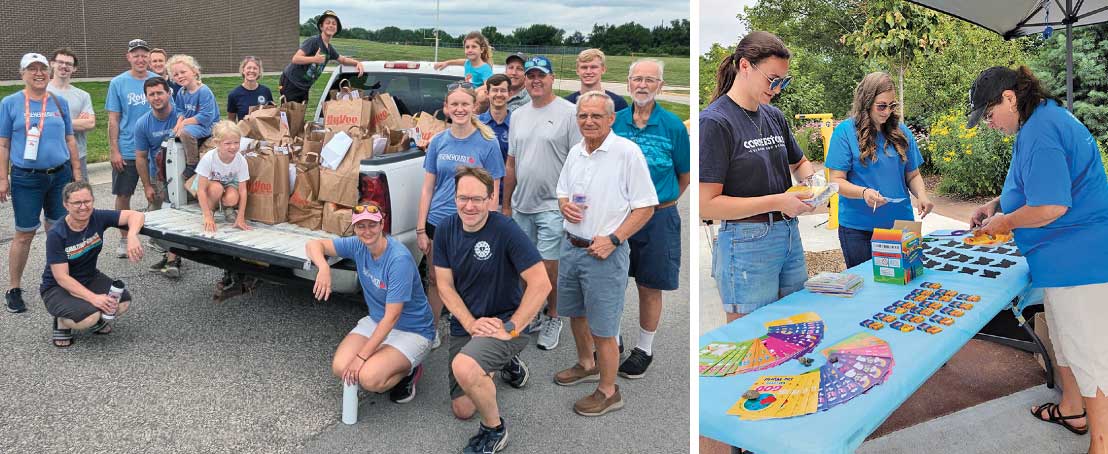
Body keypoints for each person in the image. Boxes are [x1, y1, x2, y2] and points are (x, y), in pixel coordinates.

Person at [964, 65, 1108, 454]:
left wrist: (1004, 222)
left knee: (1089, 354)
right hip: (1063, 261)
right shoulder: (1037, 122)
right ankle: (1072, 409)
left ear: (1009, 98)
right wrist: (995, 204)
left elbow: (1051, 205)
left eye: (990, 115)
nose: (990, 124)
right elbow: (1029, 185)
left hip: (1080, 261)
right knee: (1065, 341)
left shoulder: (1041, 130)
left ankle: (1101, 444)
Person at [699, 31, 817, 322]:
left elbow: (800, 162)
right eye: (772, 79)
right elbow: (707, 205)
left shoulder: (774, 116)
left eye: (783, 81)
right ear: (744, 66)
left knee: (795, 326)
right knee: (751, 338)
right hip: (745, 241)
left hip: (788, 233)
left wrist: (812, 184)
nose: (777, 88)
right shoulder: (715, 122)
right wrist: (778, 201)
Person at [553, 91, 657, 416]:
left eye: (596, 116)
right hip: (571, 247)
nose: (589, 121)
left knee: (604, 327)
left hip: (604, 254)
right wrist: (564, 206)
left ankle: (609, 391)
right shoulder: (575, 152)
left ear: (611, 119)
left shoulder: (627, 153)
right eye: (583, 116)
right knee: (575, 313)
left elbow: (646, 207)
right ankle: (587, 363)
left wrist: (614, 239)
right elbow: (562, 192)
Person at [434, 166, 550, 454]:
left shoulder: (506, 230)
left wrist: (511, 328)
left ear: (490, 199)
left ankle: (494, 430)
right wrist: (470, 323)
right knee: (462, 409)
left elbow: (541, 284)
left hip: (505, 322)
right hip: (469, 324)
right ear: (455, 197)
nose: (469, 206)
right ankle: (502, 362)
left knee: (466, 367)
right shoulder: (446, 229)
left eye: (476, 199)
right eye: (463, 198)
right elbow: (444, 286)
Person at [307, 202, 434, 404]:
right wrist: (323, 268)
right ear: (355, 228)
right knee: (340, 367)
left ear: (382, 224)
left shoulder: (398, 259)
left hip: (412, 329)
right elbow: (315, 244)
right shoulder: (358, 244)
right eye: (361, 226)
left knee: (368, 378)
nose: (367, 231)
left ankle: (410, 369)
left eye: (372, 225)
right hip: (377, 320)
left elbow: (392, 317)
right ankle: (385, 356)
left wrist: (361, 357)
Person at [611, 58, 690, 378]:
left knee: (649, 284)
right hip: (617, 216)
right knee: (611, 281)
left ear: (660, 86)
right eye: (637, 79)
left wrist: (658, 203)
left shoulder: (672, 125)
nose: (642, 85)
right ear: (628, 84)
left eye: (650, 80)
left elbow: (684, 176)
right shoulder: (614, 122)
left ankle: (644, 348)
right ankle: (611, 338)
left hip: (658, 217)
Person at [503, 55, 582, 351]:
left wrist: (572, 203)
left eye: (541, 76)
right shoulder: (519, 114)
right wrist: (507, 205)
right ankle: (531, 313)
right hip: (522, 204)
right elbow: (511, 164)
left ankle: (553, 315)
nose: (536, 80)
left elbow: (579, 163)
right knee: (524, 265)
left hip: (553, 205)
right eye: (530, 75)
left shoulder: (568, 113)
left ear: (552, 79)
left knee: (549, 266)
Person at [417, 82, 505, 348]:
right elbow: (428, 187)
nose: (459, 109)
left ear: (474, 107)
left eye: (464, 104)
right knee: (436, 280)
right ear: (446, 108)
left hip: (472, 223)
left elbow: (494, 191)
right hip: (438, 224)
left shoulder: (487, 144)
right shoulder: (438, 142)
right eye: (453, 104)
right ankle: (432, 330)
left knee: (473, 281)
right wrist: (421, 228)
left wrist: (489, 229)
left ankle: (474, 332)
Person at [825, 72, 934, 268]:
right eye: (881, 106)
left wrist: (922, 196)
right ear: (866, 102)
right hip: (859, 230)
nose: (887, 112)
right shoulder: (844, 132)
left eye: (891, 106)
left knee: (906, 286)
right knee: (868, 292)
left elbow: (913, 175)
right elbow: (836, 182)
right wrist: (864, 193)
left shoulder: (902, 132)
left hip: (901, 226)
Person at [1, 53, 82, 314]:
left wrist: (77, 174)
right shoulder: (10, 103)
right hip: (27, 178)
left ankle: (58, 280)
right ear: (22, 74)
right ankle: (14, 288)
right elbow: (3, 144)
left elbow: (70, 139)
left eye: (42, 69)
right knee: (24, 233)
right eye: (32, 69)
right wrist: (3, 178)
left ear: (49, 72)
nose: (38, 73)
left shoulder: (59, 102)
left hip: (59, 175)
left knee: (58, 231)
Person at [41, 181, 145, 347]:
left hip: (89, 277)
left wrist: (131, 236)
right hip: (57, 287)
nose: (83, 207)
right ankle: (62, 320)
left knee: (122, 302)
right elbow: (61, 277)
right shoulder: (57, 233)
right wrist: (95, 299)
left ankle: (88, 311)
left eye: (87, 201)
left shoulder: (97, 216)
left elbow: (136, 215)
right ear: (66, 205)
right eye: (77, 203)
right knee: (90, 316)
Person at [106, 39, 157, 259]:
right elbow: (113, 119)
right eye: (135, 55)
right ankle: (124, 238)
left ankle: (159, 238)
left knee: (157, 194)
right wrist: (114, 149)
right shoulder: (118, 83)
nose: (140, 59)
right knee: (123, 195)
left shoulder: (158, 81)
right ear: (129, 57)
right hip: (127, 150)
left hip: (154, 151)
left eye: (143, 54)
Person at [133, 77, 183, 277]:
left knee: (180, 215)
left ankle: (173, 260)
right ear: (146, 98)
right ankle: (171, 254)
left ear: (169, 93)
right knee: (160, 219)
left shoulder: (181, 115)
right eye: (151, 94)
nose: (156, 97)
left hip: (183, 174)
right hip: (159, 176)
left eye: (160, 93)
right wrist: (147, 186)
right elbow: (141, 157)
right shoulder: (143, 123)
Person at [279, 10, 364, 104]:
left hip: (303, 86)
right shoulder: (314, 41)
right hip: (291, 81)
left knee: (299, 113)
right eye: (327, 23)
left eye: (334, 24)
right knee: (290, 113)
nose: (331, 25)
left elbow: (342, 59)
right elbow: (295, 59)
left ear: (336, 29)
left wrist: (357, 63)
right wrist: (314, 59)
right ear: (321, 26)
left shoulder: (329, 49)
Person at [47, 48, 95, 181]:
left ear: (74, 69)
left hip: (78, 156)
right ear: (52, 64)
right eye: (60, 62)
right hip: (50, 157)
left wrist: (55, 120)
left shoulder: (83, 95)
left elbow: (90, 123)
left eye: (68, 64)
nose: (64, 66)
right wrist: (77, 122)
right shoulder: (41, 92)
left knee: (79, 197)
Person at [194, 120, 251, 233]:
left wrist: (241, 217)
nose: (233, 147)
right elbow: (201, 190)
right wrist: (207, 215)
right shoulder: (209, 158)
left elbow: (243, 190)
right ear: (216, 143)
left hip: (228, 183)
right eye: (228, 143)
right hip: (210, 185)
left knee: (232, 198)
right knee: (217, 189)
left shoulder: (241, 160)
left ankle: (227, 207)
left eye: (236, 142)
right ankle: (210, 210)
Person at [168, 54, 220, 171]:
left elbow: (206, 116)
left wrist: (184, 123)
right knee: (172, 134)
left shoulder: (203, 91)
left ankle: (193, 164)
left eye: (183, 72)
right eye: (176, 74)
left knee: (185, 133)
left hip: (208, 125)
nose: (180, 76)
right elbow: (180, 110)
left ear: (194, 71)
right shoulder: (182, 92)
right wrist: (178, 123)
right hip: (192, 124)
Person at [564, 49, 628, 113]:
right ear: (577, 71)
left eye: (593, 67)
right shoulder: (566, 103)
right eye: (584, 67)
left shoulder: (618, 104)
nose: (588, 72)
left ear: (603, 69)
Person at [226, 56, 273, 122]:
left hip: (263, 131)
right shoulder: (234, 95)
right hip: (243, 131)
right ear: (243, 70)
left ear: (259, 71)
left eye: (255, 68)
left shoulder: (266, 91)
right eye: (249, 68)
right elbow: (231, 121)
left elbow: (271, 115)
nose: (251, 71)